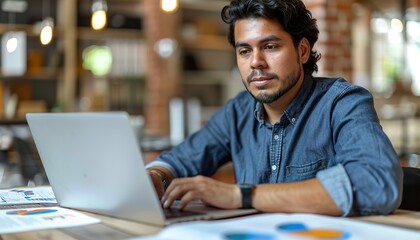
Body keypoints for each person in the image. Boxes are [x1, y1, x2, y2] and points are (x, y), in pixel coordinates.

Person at [146, 0, 402, 216]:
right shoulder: (238, 111)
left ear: (302, 51)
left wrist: (241, 195)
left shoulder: (341, 103)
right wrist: (156, 177)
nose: (256, 62)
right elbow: (178, 161)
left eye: (270, 47)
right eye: (244, 51)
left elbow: (377, 184)